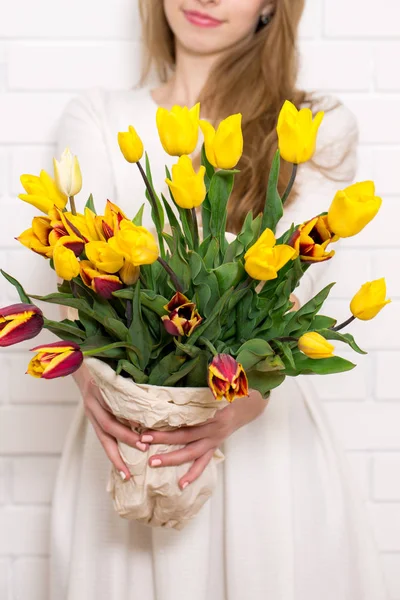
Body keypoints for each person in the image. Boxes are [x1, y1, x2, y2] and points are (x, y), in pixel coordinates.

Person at [50, 1, 389, 598]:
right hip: (128, 437)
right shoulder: (99, 116)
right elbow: (75, 270)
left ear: (271, 6)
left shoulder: (313, 122)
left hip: (260, 441)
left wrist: (251, 397)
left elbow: (300, 281)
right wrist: (88, 381)